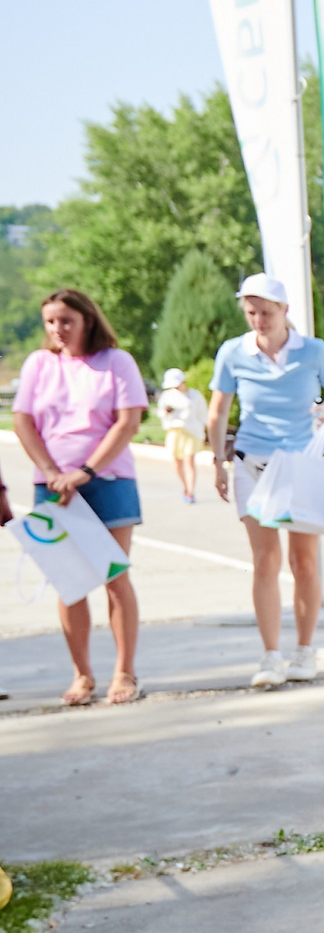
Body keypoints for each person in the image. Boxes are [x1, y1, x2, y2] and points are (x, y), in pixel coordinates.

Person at [208, 272, 324, 689]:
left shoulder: (313, 351)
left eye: (266, 312)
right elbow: (218, 411)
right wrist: (217, 462)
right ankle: (270, 656)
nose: (258, 320)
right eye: (251, 312)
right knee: (264, 561)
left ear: (285, 310)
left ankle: (305, 651)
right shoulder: (233, 353)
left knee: (303, 561)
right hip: (253, 462)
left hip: (303, 465)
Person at [12, 288, 149, 706]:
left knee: (113, 578)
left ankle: (124, 672)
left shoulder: (116, 362)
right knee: (69, 584)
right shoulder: (39, 363)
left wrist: (84, 471)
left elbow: (127, 423)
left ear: (87, 319)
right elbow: (24, 422)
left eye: (66, 321)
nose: (58, 330)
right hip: (52, 487)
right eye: (51, 322)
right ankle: (81, 675)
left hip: (107, 481)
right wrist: (54, 474)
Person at [156, 369, 209, 504]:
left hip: (191, 431)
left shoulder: (195, 396)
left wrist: (203, 429)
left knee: (189, 460)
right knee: (177, 462)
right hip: (174, 430)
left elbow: (203, 414)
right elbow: (161, 413)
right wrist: (166, 412)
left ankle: (191, 491)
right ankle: (185, 486)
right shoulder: (167, 396)